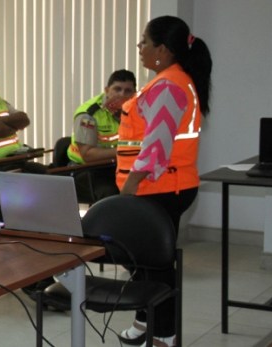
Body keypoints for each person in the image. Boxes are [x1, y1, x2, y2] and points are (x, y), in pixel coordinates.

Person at [116, 16, 212, 347]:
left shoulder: (170, 86)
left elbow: (156, 147)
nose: (139, 48)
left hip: (159, 188)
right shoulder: (168, 81)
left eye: (144, 41)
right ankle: (146, 319)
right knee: (143, 259)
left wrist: (129, 190)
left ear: (162, 49)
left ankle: (163, 335)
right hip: (161, 186)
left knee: (155, 266)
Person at [66, 69, 136, 200]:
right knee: (112, 193)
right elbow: (88, 155)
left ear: (134, 94)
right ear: (107, 90)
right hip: (87, 168)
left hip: (119, 165)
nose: (122, 94)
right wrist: (126, 151)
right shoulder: (88, 114)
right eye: (117, 89)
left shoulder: (137, 110)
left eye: (128, 91)